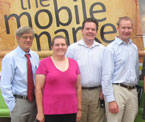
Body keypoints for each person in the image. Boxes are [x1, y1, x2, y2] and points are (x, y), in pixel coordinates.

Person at [66, 18, 105, 122]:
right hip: (78, 93)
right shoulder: (73, 49)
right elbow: (67, 72)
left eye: (93, 29)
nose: (90, 31)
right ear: (82, 30)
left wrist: (104, 89)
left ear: (96, 32)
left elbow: (106, 72)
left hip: (97, 93)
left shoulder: (103, 49)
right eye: (87, 29)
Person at [35, 35, 82, 122]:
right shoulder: (44, 63)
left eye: (63, 44)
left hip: (71, 110)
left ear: (67, 46)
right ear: (52, 47)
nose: (60, 47)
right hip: (50, 111)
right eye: (57, 45)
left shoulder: (74, 63)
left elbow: (78, 88)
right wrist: (40, 112)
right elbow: (38, 89)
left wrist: (79, 109)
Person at [102, 16, 139, 122]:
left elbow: (136, 70)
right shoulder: (111, 49)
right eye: (123, 28)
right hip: (117, 90)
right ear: (118, 28)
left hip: (132, 91)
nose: (126, 31)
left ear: (132, 28)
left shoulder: (134, 48)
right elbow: (106, 76)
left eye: (129, 28)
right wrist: (111, 99)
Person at [0, 26, 39, 122]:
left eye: (31, 37)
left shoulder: (35, 56)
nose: (28, 40)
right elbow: (5, 84)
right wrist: (13, 106)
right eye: (25, 37)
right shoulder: (10, 58)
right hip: (19, 102)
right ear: (18, 38)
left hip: (35, 102)